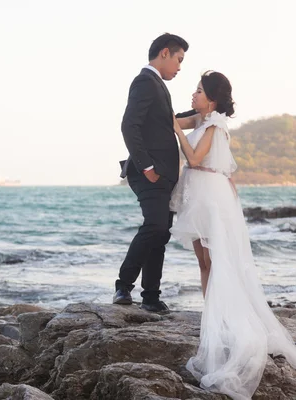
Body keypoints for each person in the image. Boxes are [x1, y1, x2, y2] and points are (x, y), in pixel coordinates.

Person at [171, 71, 296, 399]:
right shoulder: (203, 119)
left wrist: (176, 128)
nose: (193, 94)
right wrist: (177, 119)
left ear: (213, 99)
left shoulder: (216, 123)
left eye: (199, 91)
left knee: (217, 263)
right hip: (198, 195)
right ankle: (212, 321)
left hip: (210, 196)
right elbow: (184, 120)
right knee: (204, 263)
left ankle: (222, 324)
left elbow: (193, 157)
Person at [114, 33, 189, 314]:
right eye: (179, 60)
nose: (180, 67)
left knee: (161, 233)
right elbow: (128, 125)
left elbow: (166, 121)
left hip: (165, 174)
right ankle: (123, 285)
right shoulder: (145, 81)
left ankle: (151, 296)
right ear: (165, 53)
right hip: (149, 172)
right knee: (156, 227)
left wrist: (205, 111)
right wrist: (147, 167)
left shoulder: (157, 85)